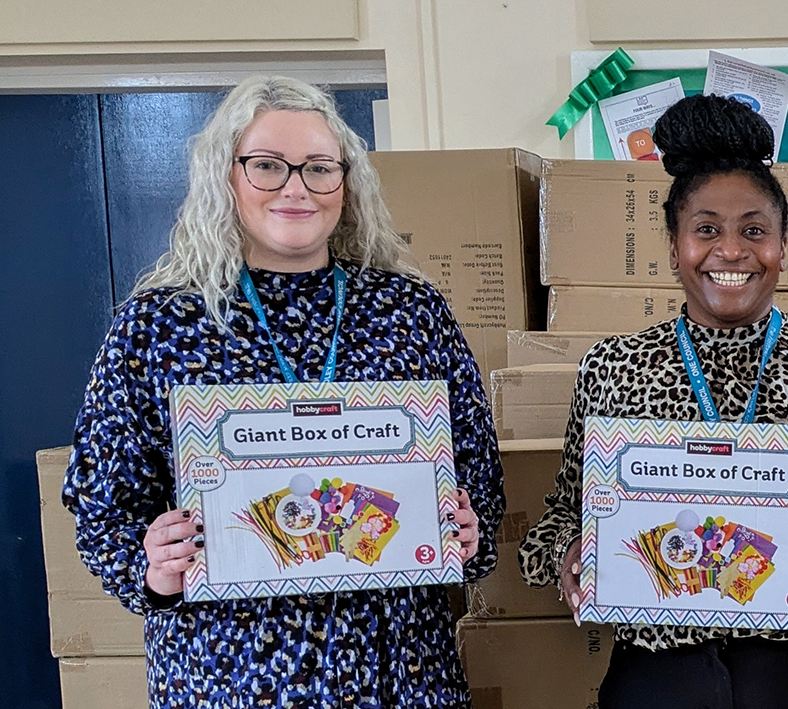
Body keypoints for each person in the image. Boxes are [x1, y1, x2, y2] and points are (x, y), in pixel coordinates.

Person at [63, 75, 504, 708]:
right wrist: (151, 566)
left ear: (346, 184)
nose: (296, 187)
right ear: (227, 176)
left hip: (399, 672)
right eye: (267, 165)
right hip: (228, 677)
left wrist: (467, 530)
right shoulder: (157, 324)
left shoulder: (410, 311)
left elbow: (479, 487)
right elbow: (104, 509)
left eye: (319, 168)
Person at [518, 94, 788, 709]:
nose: (731, 250)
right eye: (706, 230)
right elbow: (563, 514)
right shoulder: (613, 369)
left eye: (754, 230)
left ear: (783, 246)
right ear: (673, 246)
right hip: (658, 677)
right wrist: (569, 557)